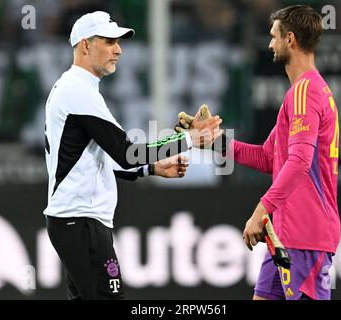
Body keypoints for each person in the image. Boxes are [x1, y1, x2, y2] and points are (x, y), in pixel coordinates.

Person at [43, 11, 222, 300]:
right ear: (85, 45)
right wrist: (188, 139)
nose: (118, 49)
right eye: (109, 41)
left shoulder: (74, 88)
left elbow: (95, 159)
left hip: (76, 221)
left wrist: (151, 169)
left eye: (118, 42)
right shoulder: (78, 91)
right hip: (81, 221)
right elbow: (127, 153)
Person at [200, 5, 340, 300]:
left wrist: (261, 211)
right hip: (287, 236)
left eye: (273, 36)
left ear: (290, 39)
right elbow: (268, 158)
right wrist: (215, 141)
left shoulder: (305, 92)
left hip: (306, 236)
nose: (269, 44)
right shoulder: (299, 93)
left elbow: (300, 161)